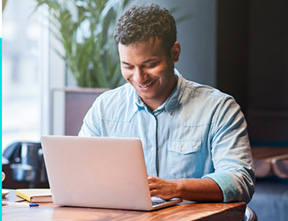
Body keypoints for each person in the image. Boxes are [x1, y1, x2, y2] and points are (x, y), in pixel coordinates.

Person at [79, 3, 255, 203]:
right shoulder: (104, 108)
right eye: (128, 66)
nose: (139, 77)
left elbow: (239, 180)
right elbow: (80, 174)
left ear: (175, 53)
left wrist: (175, 188)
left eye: (150, 65)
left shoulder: (219, 109)